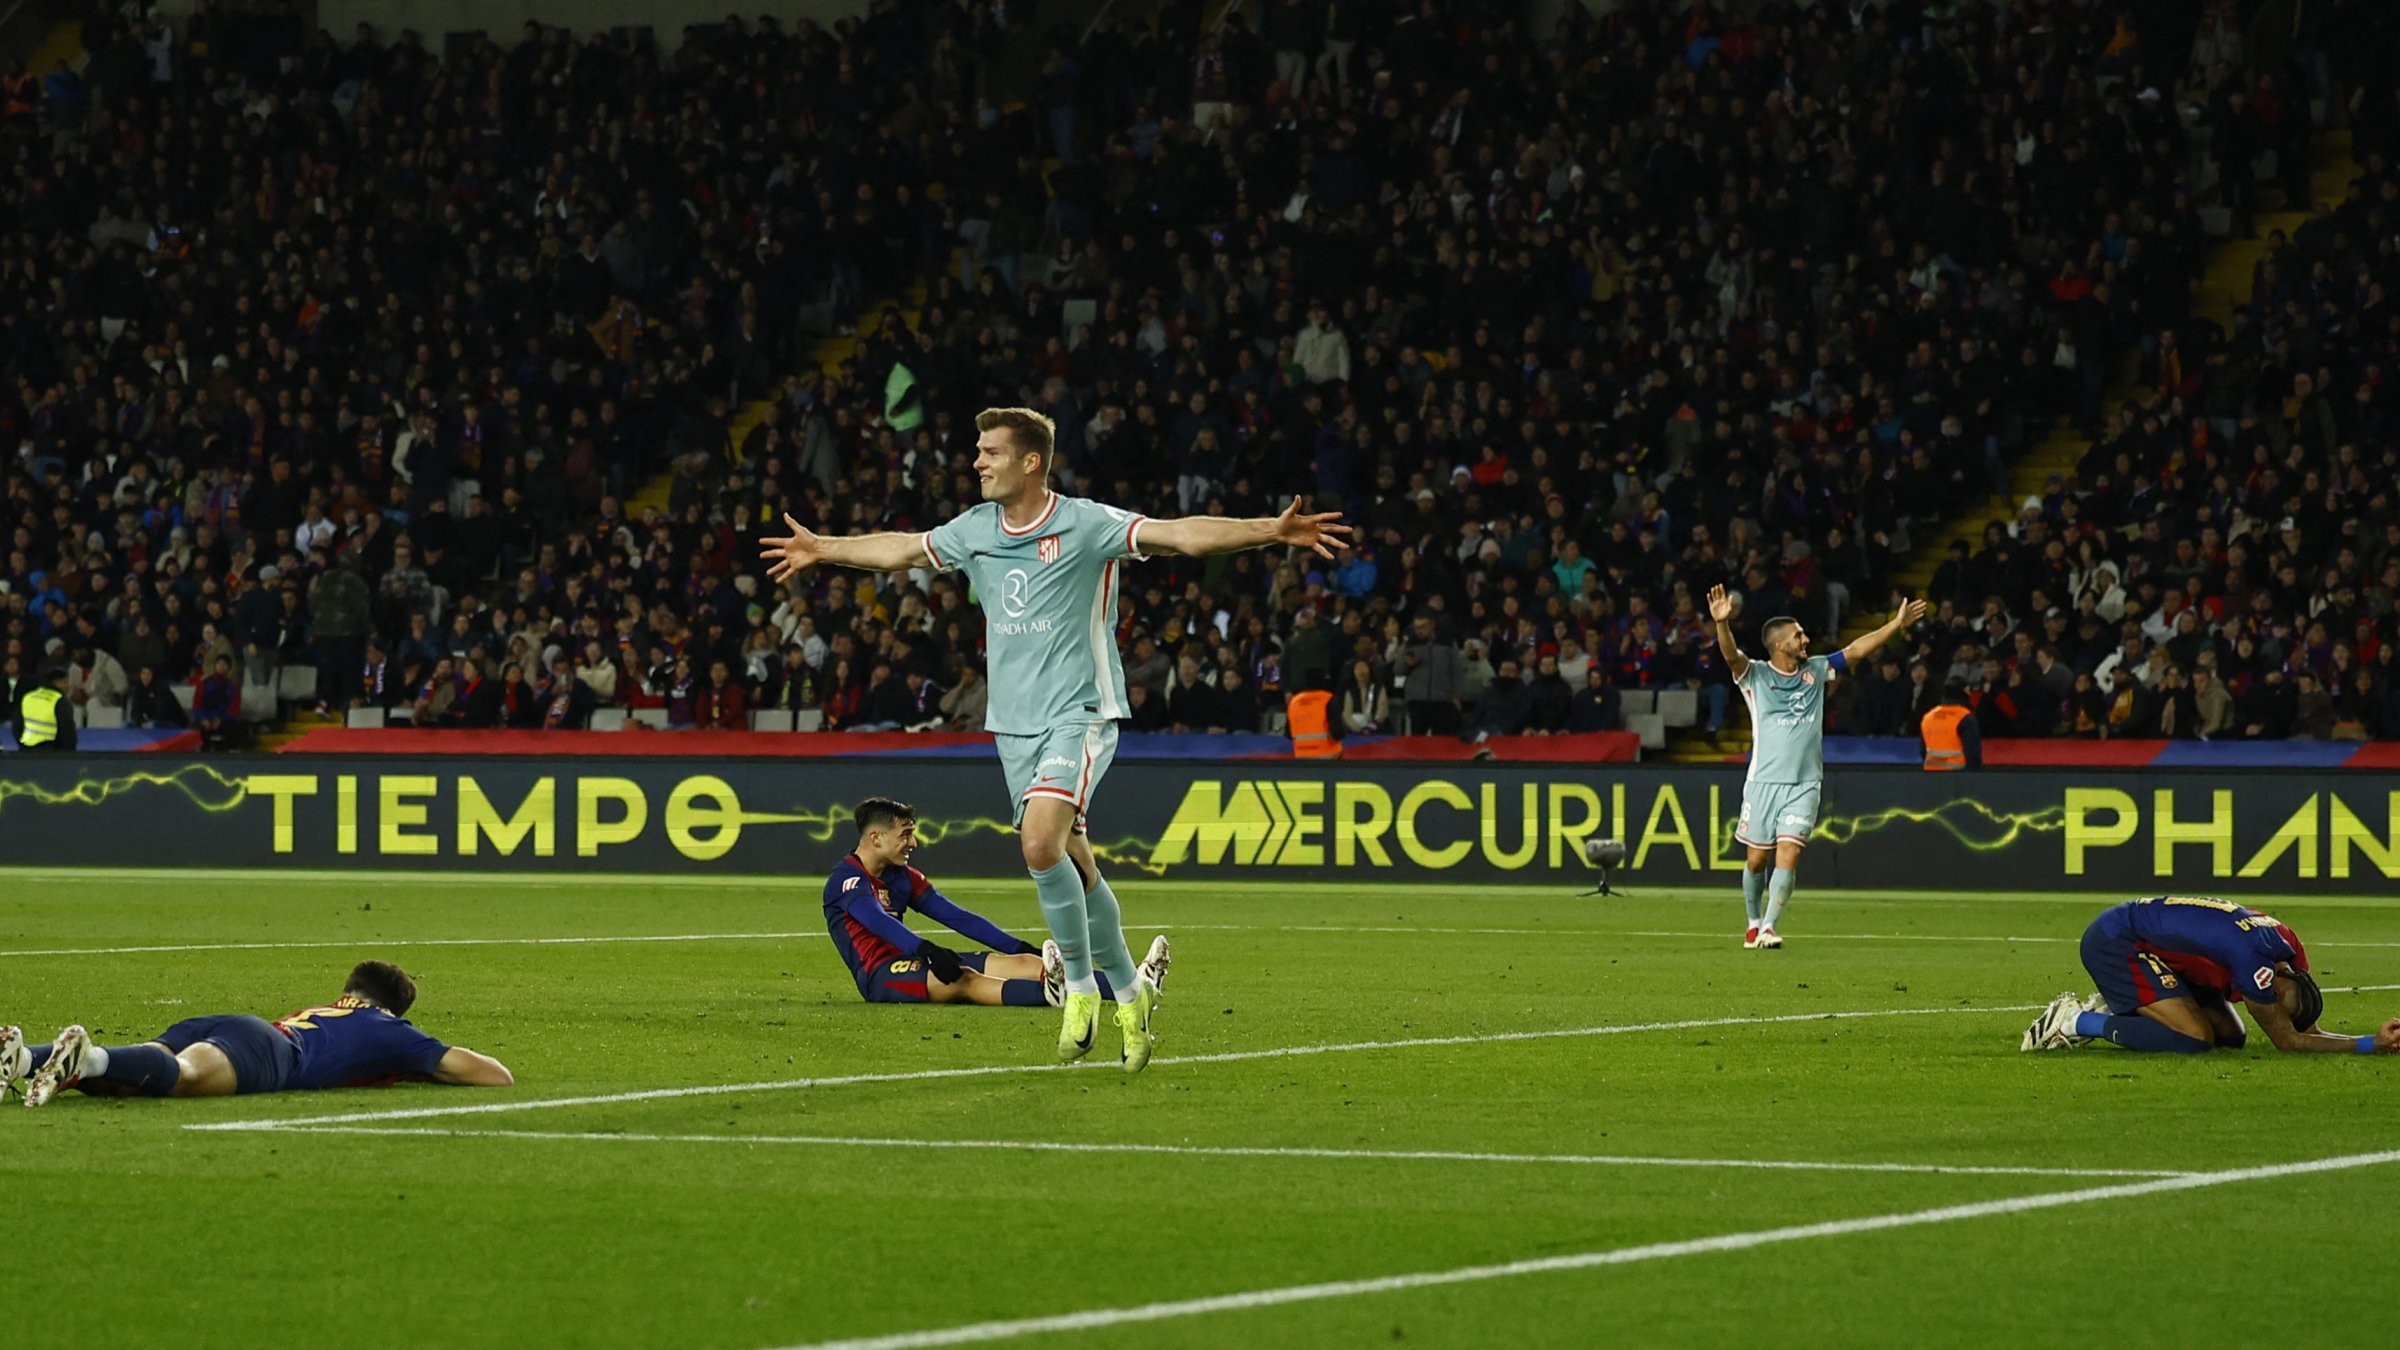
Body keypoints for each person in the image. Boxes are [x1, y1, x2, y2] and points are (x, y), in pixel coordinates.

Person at [764, 407, 1346, 1071]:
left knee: (1040, 842)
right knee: (1073, 858)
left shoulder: (1086, 523)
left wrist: (1270, 531)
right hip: (1013, 728)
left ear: (1030, 461)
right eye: (977, 450)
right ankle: (1129, 991)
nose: (977, 462)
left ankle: (1076, 989)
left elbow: (1182, 535)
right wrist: (822, 548)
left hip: (1081, 711)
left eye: (991, 452)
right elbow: (899, 548)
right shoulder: (975, 530)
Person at [1710, 584, 1925, 949]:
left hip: (1804, 783)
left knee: (1789, 853)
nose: (1805, 639)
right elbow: (1732, 657)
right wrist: (1722, 625)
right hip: (1763, 782)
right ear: (1779, 645)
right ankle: (1752, 920)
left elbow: (1857, 649)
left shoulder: (1817, 669)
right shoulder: (1756, 675)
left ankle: (1769, 928)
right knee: (1757, 861)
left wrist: (1896, 624)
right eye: (1798, 635)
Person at [1, 961, 514, 1106]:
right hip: (270, 1052)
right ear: (395, 1010)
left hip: (233, 1024)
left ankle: (22, 1060)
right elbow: (496, 1077)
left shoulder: (327, 1010)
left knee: (135, 1075)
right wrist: (418, 1064)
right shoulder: (391, 1032)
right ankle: (87, 1059)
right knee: (182, 1076)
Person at [824, 797, 1170, 1009]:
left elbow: (957, 917)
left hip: (915, 955)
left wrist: (1019, 946)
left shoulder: (902, 876)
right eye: (905, 834)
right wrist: (926, 950)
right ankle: (1047, 996)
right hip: (881, 976)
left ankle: (1136, 985)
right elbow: (877, 922)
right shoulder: (847, 880)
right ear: (875, 837)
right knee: (962, 979)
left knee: (1021, 962)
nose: (913, 842)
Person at [2022, 896, 2400, 1056]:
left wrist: (2375, 1040)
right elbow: (2289, 1041)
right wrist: (2368, 1045)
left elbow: (2307, 1031)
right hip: (2118, 940)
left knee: (2231, 1038)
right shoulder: (2255, 962)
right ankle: (2075, 1021)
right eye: (2269, 1004)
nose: (2269, 1009)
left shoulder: (2288, 948)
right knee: (2194, 1039)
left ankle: (2140, 1008)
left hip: (2155, 943)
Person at [1919, 681, 1981, 770]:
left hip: (1931, 774)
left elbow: (1922, 751)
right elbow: (1972, 751)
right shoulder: (1965, 717)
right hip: (1958, 776)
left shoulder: (1928, 717)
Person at [11, 664, 74, 752]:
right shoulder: (59, 701)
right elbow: (67, 731)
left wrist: (22, 746)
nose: (68, 686)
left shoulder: (28, 697)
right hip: (50, 754)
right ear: (56, 682)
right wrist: (68, 754)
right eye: (65, 682)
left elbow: (17, 725)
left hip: (26, 751)